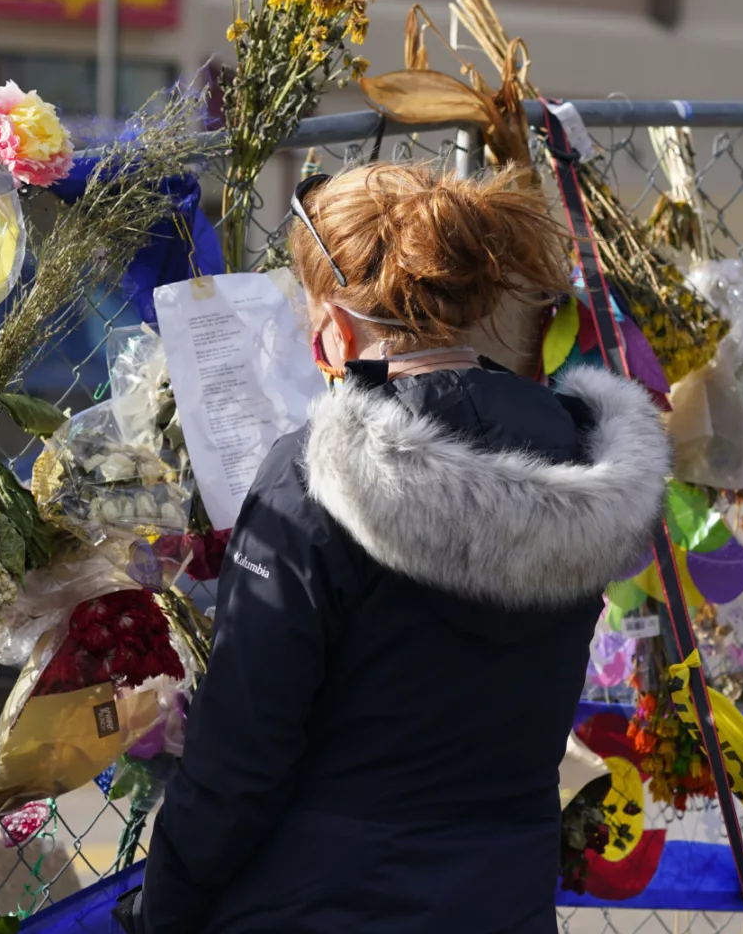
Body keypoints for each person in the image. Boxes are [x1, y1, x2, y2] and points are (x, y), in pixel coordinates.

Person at [125, 162, 671, 933]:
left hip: (318, 903)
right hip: (502, 902)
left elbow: (241, 756)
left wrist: (164, 908)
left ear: (337, 331)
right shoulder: (581, 459)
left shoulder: (314, 475)